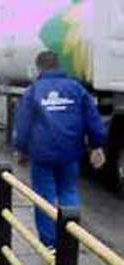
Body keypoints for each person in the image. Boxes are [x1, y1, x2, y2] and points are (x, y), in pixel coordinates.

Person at [13, 51, 107, 250]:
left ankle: (49, 244)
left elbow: (23, 125)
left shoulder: (33, 91)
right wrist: (97, 146)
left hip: (42, 155)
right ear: (58, 66)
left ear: (39, 67)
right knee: (69, 192)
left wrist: (21, 150)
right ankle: (69, 239)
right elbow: (94, 119)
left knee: (44, 197)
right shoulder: (77, 89)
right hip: (70, 153)